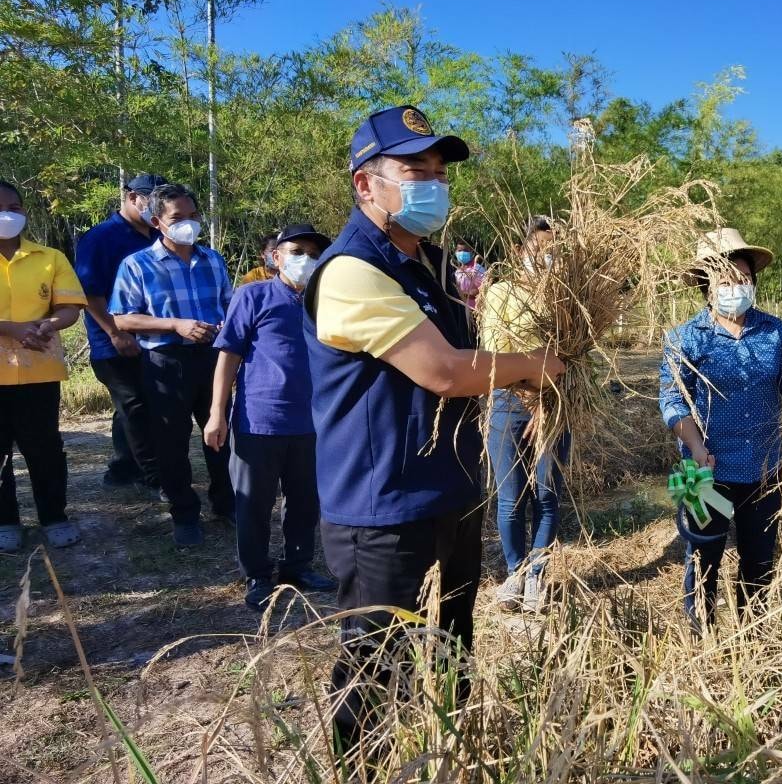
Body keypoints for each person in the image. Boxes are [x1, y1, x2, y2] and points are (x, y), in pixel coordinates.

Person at [305, 105, 563, 747]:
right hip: (383, 507)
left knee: (453, 646)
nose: (432, 184)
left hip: (450, 489)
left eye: (440, 172)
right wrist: (537, 368)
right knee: (374, 671)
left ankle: (455, 751)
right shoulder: (349, 271)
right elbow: (445, 371)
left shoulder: (433, 263)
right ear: (366, 183)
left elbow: (475, 356)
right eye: (413, 169)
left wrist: (527, 384)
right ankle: (359, 767)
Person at [658, 228, 782, 631]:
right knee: (700, 557)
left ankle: (754, 635)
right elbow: (673, 402)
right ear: (706, 287)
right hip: (698, 468)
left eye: (742, 279)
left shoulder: (777, 332)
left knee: (759, 559)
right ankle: (700, 634)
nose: (735, 287)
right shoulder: (682, 338)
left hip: (764, 466)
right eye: (725, 280)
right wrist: (694, 446)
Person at [205, 223, 337, 610]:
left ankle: (297, 567)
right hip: (258, 420)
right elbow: (228, 354)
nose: (305, 260)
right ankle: (257, 575)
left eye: (314, 254)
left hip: (313, 422)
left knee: (305, 501)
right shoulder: (253, 295)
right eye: (296, 251)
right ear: (275, 256)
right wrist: (217, 413)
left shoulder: (324, 301)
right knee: (253, 503)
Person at [109, 183, 234, 547]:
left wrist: (227, 326)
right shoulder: (138, 265)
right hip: (166, 362)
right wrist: (175, 324)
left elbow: (229, 306)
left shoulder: (212, 259)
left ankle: (226, 504)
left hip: (212, 358)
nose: (189, 224)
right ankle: (184, 513)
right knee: (171, 441)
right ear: (157, 222)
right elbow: (122, 319)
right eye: (178, 218)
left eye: (193, 216)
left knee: (220, 433)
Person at [479, 215, 568, 612]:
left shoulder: (568, 298)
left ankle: (536, 576)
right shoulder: (499, 294)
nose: (547, 258)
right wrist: (533, 400)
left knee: (547, 495)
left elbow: (576, 361)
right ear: (519, 252)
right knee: (510, 497)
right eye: (539, 250)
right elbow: (496, 353)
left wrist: (551, 404)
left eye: (554, 252)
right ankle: (515, 573)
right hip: (507, 403)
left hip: (558, 405)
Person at [0, 180, 88, 553]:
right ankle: (5, 522)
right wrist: (11, 329)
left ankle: (54, 516)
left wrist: (48, 324)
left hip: (40, 370)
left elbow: (69, 306)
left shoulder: (50, 257)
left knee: (45, 449)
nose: (8, 215)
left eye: (15, 207)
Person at [74, 173, 165, 494]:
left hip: (153, 339)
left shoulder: (157, 235)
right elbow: (88, 292)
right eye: (150, 200)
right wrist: (115, 334)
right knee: (136, 406)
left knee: (133, 407)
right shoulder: (101, 238)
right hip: (113, 343)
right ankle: (153, 478)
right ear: (130, 197)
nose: (155, 207)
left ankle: (123, 468)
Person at [453, 238, 485, 310]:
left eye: (466, 251)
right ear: (455, 252)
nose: (462, 253)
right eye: (460, 251)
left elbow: (484, 290)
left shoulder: (478, 269)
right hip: (461, 310)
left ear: (472, 252)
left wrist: (462, 294)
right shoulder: (457, 272)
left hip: (475, 311)